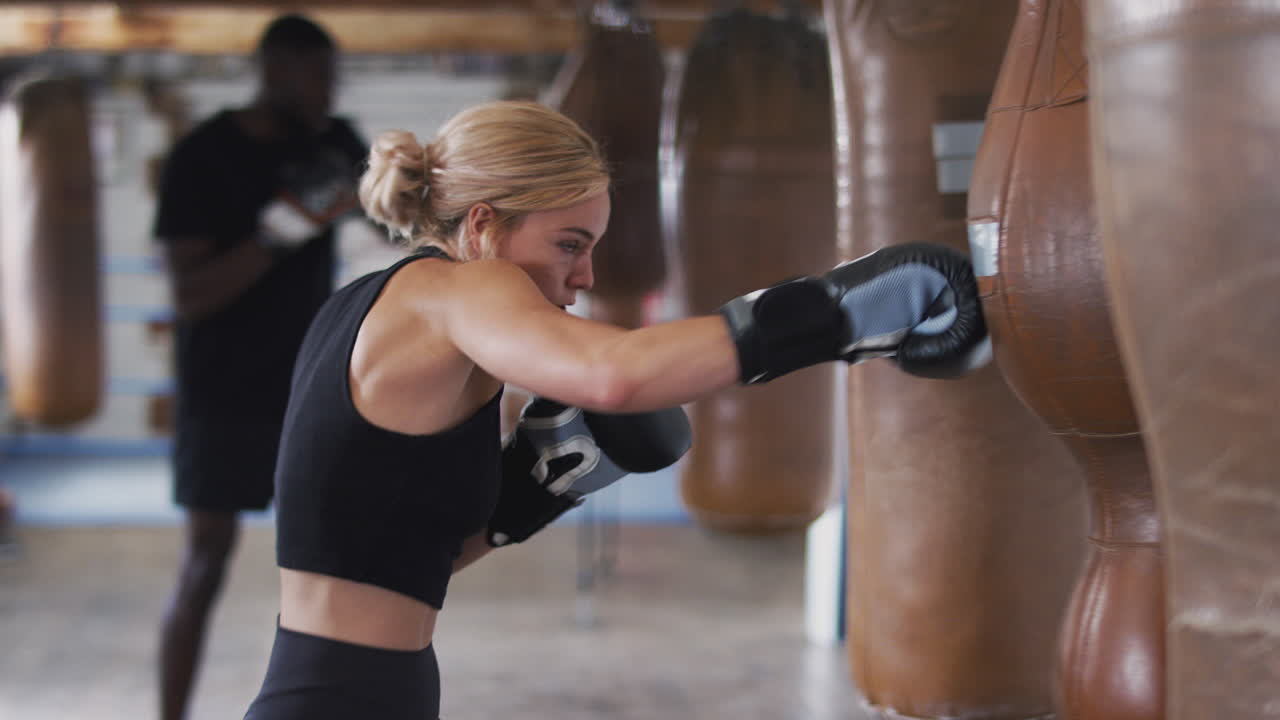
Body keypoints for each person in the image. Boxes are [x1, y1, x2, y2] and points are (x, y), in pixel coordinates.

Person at [242, 100, 989, 720]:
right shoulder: (462, 288)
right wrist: (835, 315)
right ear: (482, 226)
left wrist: (535, 488)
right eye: (570, 243)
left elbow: (393, 555)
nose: (585, 275)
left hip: (355, 689)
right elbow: (613, 375)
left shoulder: (366, 309)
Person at [151, 14, 367, 720]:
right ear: (274, 70)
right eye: (316, 78)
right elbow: (191, 294)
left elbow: (397, 212)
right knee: (206, 559)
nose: (328, 94)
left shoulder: (333, 143)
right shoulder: (202, 157)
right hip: (222, 388)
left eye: (334, 79)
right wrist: (284, 228)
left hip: (310, 384)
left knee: (335, 562)